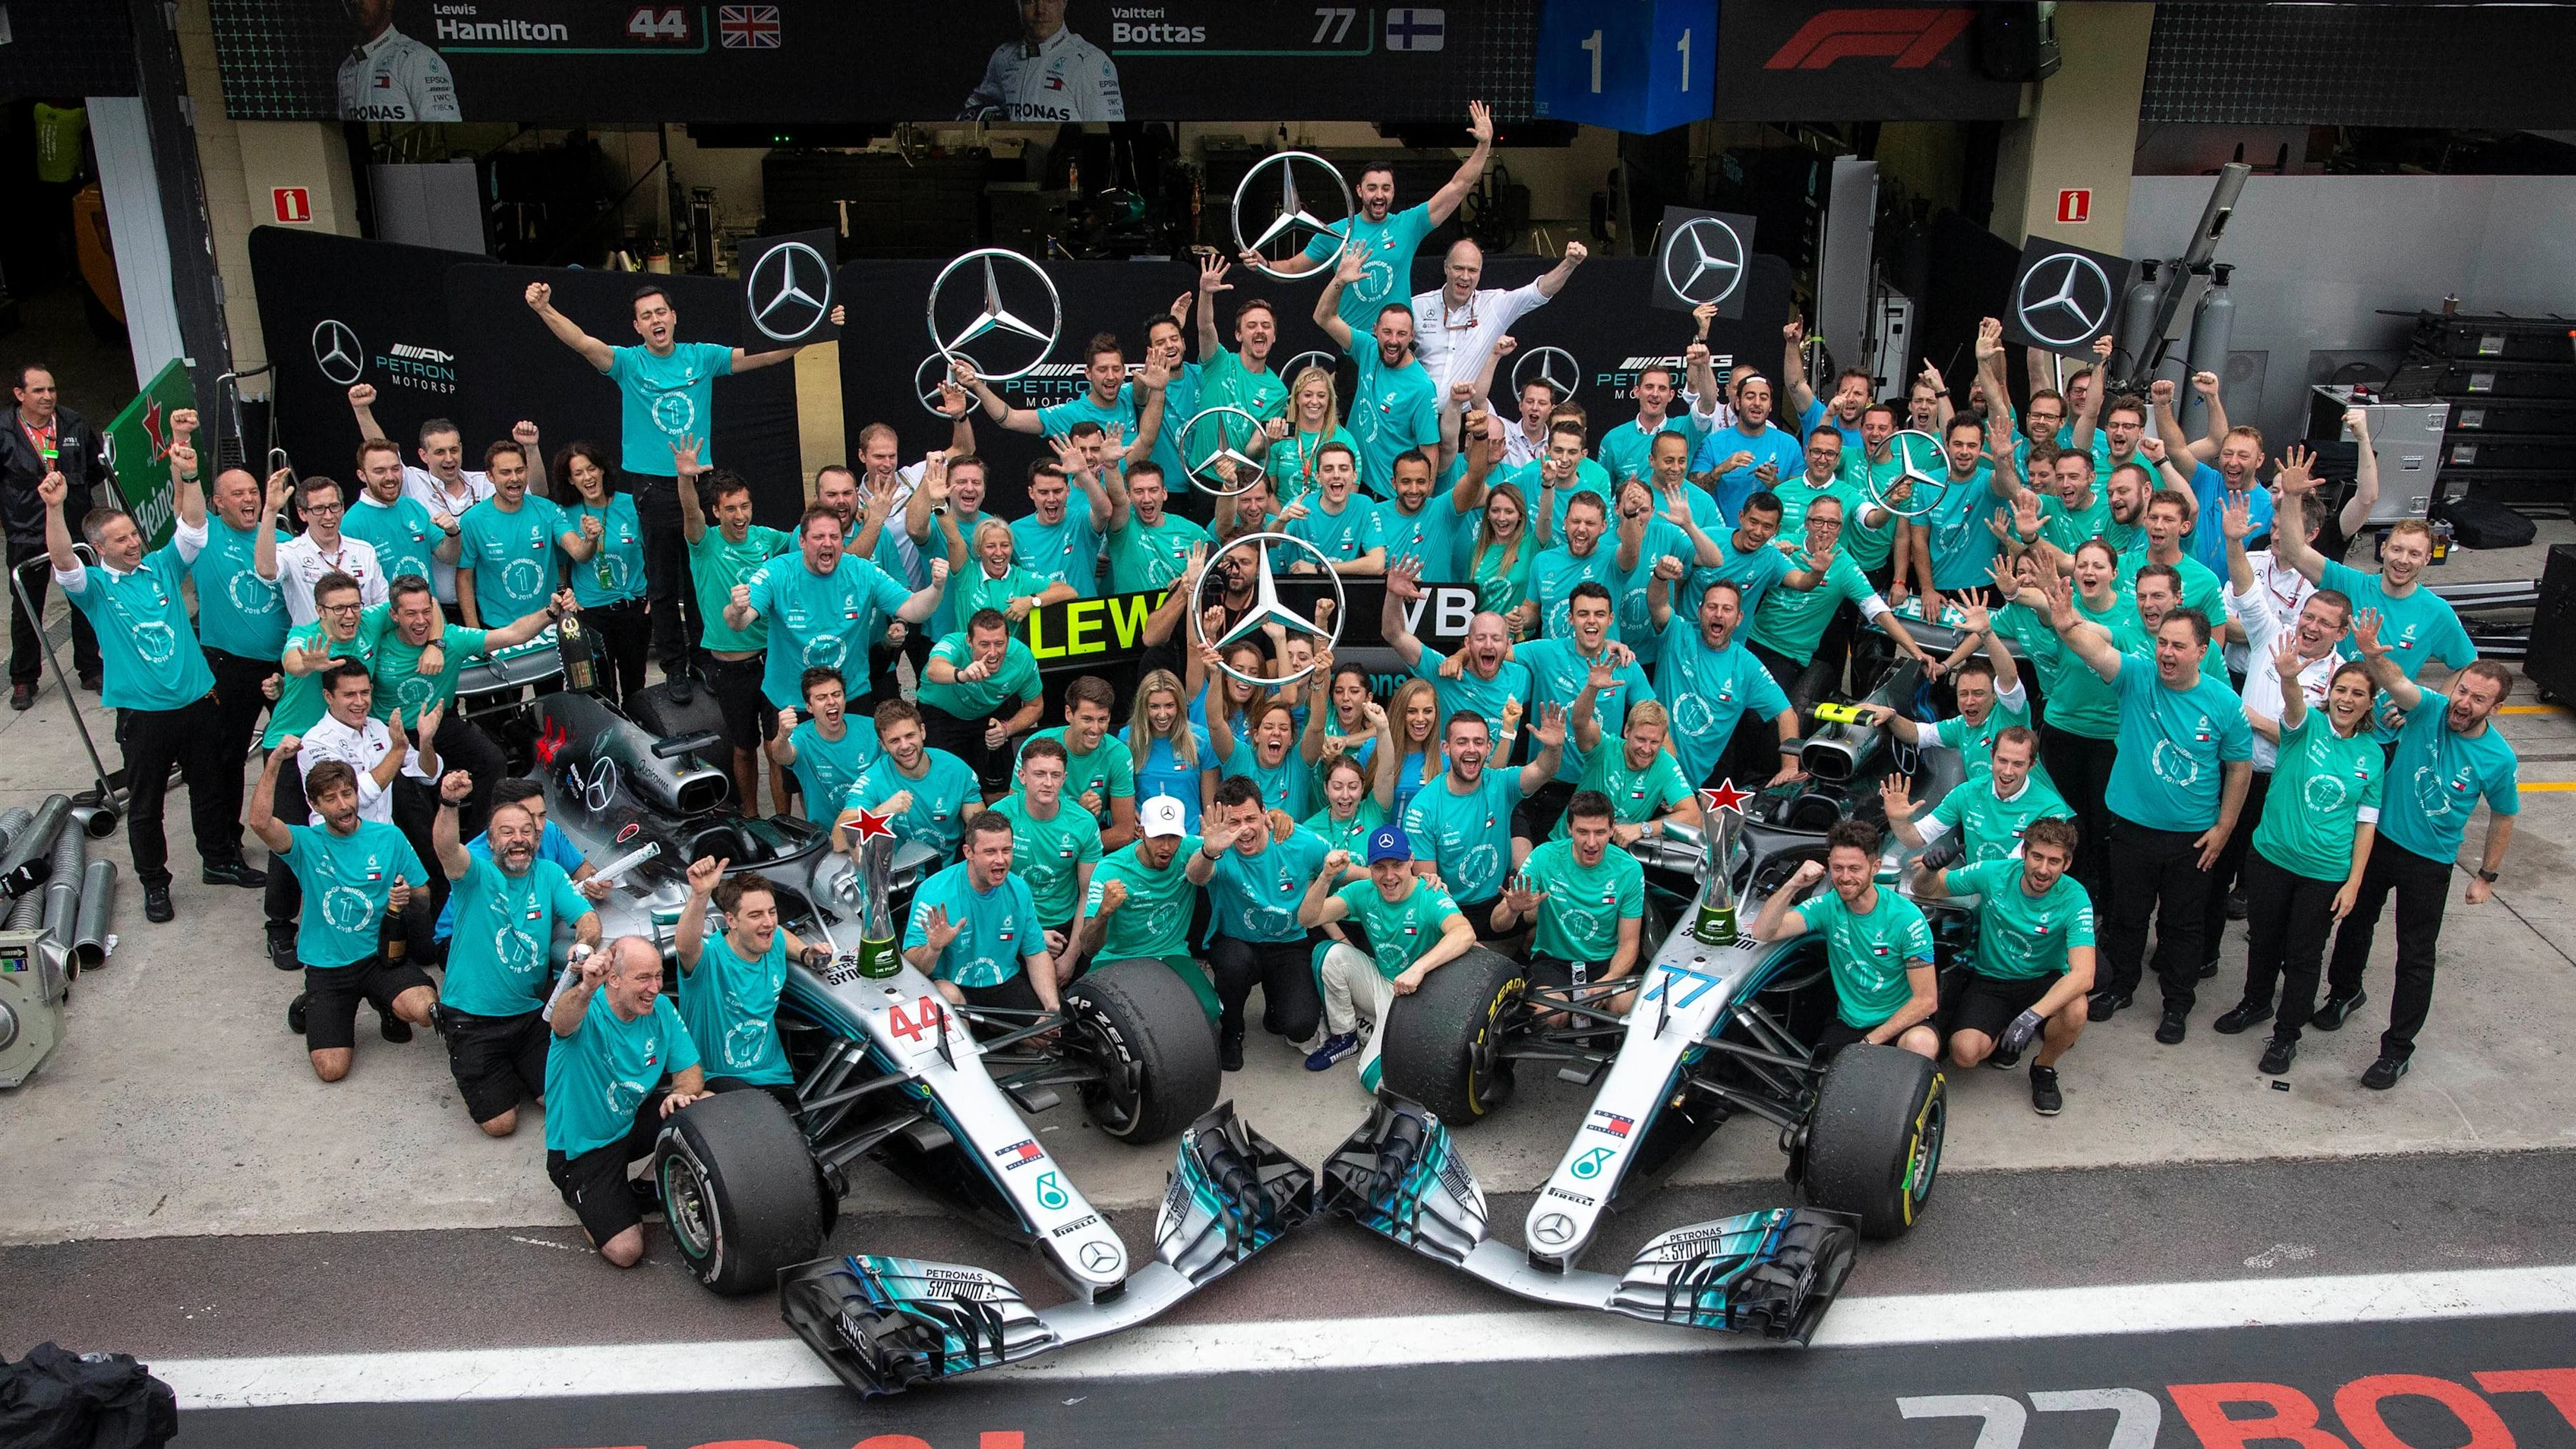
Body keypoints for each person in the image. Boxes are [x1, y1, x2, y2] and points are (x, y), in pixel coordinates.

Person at [524, 280, 838, 685]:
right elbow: (584, 343)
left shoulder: (702, 357)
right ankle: (674, 669)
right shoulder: (629, 363)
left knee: (699, 578)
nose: (656, 320)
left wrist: (816, 331)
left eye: (661, 312)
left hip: (700, 481)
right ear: (637, 326)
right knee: (663, 582)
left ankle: (702, 661)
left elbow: (761, 356)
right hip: (654, 487)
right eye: (646, 316)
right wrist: (545, 309)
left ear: (674, 317)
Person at [41, 448, 254, 920]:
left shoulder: (161, 567)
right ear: (100, 548)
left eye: (134, 533)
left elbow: (194, 529)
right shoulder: (95, 588)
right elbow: (62, 564)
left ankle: (219, 860)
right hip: (144, 715)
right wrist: (55, 508)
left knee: (211, 788)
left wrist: (193, 475)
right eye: (120, 540)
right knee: (146, 805)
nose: (133, 543)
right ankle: (155, 884)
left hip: (198, 702)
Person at [2039, 571, 2251, 1043]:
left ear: (2203, 652)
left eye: (2179, 646)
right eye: (2163, 644)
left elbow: (2239, 768)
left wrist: (2224, 829)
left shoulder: (2223, 702)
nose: (2168, 654)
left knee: (2182, 926)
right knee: (2127, 918)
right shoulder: (2137, 678)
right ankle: (2122, 987)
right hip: (2131, 827)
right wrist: (2065, 624)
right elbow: (2095, 651)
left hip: (2192, 838)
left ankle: (2177, 1004)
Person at [2316, 615, 2519, 1090]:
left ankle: (2397, 1050)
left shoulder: (2499, 758)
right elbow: (2398, 683)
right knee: (2354, 921)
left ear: (2498, 707)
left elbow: (2504, 815)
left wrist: (2487, 875)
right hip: (2382, 841)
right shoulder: (2429, 708)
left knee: (2415, 955)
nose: (2464, 704)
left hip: (2430, 862)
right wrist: (2371, 653)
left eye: (2478, 699)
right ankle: (2344, 994)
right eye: (2463, 691)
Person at [2214, 639, 2383, 1077]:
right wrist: (2289, 676)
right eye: (2341, 690)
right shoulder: (2305, 727)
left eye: (2358, 694)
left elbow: (2366, 823)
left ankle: (2287, 1035)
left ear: (2370, 703)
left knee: (2305, 956)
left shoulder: (2373, 756)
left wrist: (2354, 882)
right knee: (2264, 939)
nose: (2347, 699)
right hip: (2271, 858)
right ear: (2330, 692)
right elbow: (2292, 707)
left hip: (2324, 873)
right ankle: (2255, 1002)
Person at [731, 505, 943, 809]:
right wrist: (737, 610)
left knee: (864, 771)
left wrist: (936, 589)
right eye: (818, 537)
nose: (827, 543)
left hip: (851, 694)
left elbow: (912, 608)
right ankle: (817, 834)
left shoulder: (862, 571)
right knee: (804, 779)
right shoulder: (779, 572)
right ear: (802, 541)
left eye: (834, 536)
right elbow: (740, 621)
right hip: (792, 696)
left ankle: (864, 834)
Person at [246, 747, 435, 1081]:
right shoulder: (304, 842)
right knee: (332, 1071)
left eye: (347, 794)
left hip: (381, 958)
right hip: (328, 966)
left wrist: (406, 901)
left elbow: (423, 897)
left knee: (423, 1009)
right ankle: (312, 1003)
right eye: (330, 799)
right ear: (315, 805)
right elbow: (260, 822)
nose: (343, 805)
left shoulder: (389, 837)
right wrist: (274, 761)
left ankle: (387, 1006)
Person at [432, 767, 601, 1136]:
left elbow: (588, 919)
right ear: (490, 841)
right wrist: (448, 803)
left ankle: (514, 1071)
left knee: (560, 1098)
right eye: (507, 832)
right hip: (472, 1020)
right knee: (501, 1124)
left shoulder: (551, 875)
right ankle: (483, 1066)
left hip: (528, 1017)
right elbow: (445, 847)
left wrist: (583, 944)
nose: (519, 839)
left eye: (527, 831)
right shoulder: (473, 874)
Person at [2268, 448, 2476, 745]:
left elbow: (2469, 667)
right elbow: (2295, 550)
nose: (2403, 560)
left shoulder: (2437, 612)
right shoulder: (2350, 583)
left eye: (2414, 554)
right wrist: (2290, 497)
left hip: (2382, 738)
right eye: (2397, 549)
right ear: (2382, 550)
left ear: (2427, 559)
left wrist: (2425, 708)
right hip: (2329, 727)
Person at [1257, 102, 1495, 336]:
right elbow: (1291, 268)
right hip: (1355, 346)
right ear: (1359, 191)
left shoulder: (1407, 225)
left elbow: (1458, 186)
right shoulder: (1335, 233)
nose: (1379, 195)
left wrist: (1484, 145)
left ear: (1393, 192)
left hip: (1398, 344)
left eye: (1386, 188)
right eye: (1372, 188)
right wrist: (1263, 265)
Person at [1911, 816, 2096, 1115]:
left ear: (2067, 863)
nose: (2043, 869)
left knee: (2076, 1008)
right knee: (1964, 1054)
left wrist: (2032, 1016)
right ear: (2023, 852)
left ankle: (2044, 1067)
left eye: (2053, 861)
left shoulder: (2075, 898)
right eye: (2037, 857)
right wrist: (1930, 870)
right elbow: (1928, 889)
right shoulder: (1994, 873)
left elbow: (2084, 974)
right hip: (1993, 979)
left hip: (2043, 978)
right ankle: (2004, 1036)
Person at [544, 936, 710, 1268]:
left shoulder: (660, 1008)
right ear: (614, 980)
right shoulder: (586, 1010)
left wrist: (682, 1091)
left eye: (658, 975)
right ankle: (590, 1200)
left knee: (703, 1101)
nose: (655, 987)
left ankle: (648, 1183)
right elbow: (560, 1020)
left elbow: (690, 1070)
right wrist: (586, 988)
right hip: (582, 1149)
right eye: (643, 978)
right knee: (626, 1251)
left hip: (628, 1124)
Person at [369, 575, 559, 844]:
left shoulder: (450, 639)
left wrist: (550, 612)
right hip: (394, 733)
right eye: (410, 614)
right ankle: (432, 864)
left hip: (440, 724)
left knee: (493, 761)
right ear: (394, 615)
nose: (421, 621)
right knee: (410, 794)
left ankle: (476, 844)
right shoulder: (379, 644)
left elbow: (514, 634)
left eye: (426, 611)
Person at [260, 571, 387, 965]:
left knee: (349, 825)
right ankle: (280, 925)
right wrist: (305, 666)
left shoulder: (371, 622)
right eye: (338, 608)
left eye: (355, 605)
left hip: (345, 741)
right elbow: (293, 660)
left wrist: (435, 642)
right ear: (319, 611)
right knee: (292, 834)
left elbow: (423, 606)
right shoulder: (306, 636)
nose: (349, 615)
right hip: (292, 744)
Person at [1747, 819, 1939, 1061]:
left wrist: (1870, 1042)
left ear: (1875, 867)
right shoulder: (1828, 906)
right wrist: (1794, 884)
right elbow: (1764, 932)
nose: (1845, 877)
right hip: (1849, 1023)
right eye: (1838, 868)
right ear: (1829, 865)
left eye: (1855, 868)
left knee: (1921, 1043)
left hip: (1901, 1023)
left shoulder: (1906, 918)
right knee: (1818, 1088)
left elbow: (1927, 1001)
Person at [1299, 824, 1476, 1084]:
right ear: (1370, 868)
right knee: (1328, 955)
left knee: (1373, 1079)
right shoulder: (1363, 891)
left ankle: (1397, 1037)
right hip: (1383, 984)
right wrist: (1326, 876)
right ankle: (1345, 1036)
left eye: (1397, 865)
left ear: (1411, 861)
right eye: (1380, 867)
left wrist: (1419, 968)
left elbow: (1465, 933)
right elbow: (1308, 918)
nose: (1389, 876)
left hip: (1419, 996)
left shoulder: (1429, 893)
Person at [674, 450, 794, 807]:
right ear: (716, 512)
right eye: (730, 509)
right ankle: (752, 818)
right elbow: (690, 513)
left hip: (773, 661)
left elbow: (805, 539)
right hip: (730, 668)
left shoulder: (767, 539)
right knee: (744, 749)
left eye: (745, 506)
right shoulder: (704, 543)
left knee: (777, 748)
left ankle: (783, 823)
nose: (740, 516)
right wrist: (685, 478)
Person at [1189, 777, 1330, 1069]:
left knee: (1300, 1026)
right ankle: (1231, 1030)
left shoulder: (1296, 840)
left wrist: (1408, 879)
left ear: (1266, 813)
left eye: (1251, 818)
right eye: (1234, 822)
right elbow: (1195, 876)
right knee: (1234, 963)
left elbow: (1341, 865)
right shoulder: (1216, 845)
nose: (1244, 829)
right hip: (1237, 942)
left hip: (1289, 943)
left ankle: (1274, 1007)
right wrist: (1209, 851)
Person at [1750, 493, 1939, 712]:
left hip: (1789, 655)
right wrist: (1767, 553)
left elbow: (1879, 612)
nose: (1824, 529)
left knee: (1759, 713)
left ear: (1841, 529)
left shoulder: (1846, 567)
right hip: (1752, 639)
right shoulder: (1784, 545)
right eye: (1818, 521)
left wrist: (1917, 652)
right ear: (1806, 523)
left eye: (1833, 523)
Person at [674, 859, 830, 1111]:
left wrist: (805, 953)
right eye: (755, 915)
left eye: (771, 911)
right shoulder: (710, 959)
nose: (768, 922)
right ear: (731, 921)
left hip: (775, 1076)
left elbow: (780, 934)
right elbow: (685, 946)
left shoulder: (772, 940)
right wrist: (700, 895)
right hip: (718, 1080)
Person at [295, 663, 440, 927]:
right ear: (328, 696)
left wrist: (426, 741)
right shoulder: (315, 742)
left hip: (386, 840)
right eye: (349, 695)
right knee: (365, 931)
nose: (360, 702)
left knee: (423, 909)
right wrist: (397, 751)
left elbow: (427, 774)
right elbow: (354, 797)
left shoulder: (377, 727)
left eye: (365, 693)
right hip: (341, 845)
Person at [1402, 706, 1564, 940]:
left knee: (1551, 914)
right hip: (1452, 910)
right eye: (1462, 742)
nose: (1471, 749)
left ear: (1489, 748)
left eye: (1479, 742)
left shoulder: (1500, 782)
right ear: (1446, 749)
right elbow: (1431, 890)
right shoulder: (1423, 808)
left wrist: (1554, 746)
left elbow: (1543, 769)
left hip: (1501, 901)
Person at [1310, 246, 1443, 500]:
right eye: (1387, 332)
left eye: (1402, 334)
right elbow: (1323, 317)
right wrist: (1339, 280)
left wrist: (1422, 504)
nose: (1393, 341)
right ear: (1375, 331)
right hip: (1352, 483)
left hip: (1386, 494)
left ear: (1412, 336)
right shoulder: (1368, 348)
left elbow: (1430, 450)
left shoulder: (1422, 387)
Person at [1644, 574, 1800, 791]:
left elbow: (1786, 714)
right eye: (1712, 607)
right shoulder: (1677, 634)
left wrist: (1790, 767)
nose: (1718, 614)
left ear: (1739, 618)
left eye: (1727, 609)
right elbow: (1657, 604)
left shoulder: (1746, 666)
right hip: (1649, 768)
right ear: (1700, 612)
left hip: (1695, 785)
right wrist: (1660, 577)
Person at [193, 456, 292, 798]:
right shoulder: (204, 534)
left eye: (254, 491)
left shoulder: (283, 540)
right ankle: (227, 842)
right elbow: (184, 500)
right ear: (218, 503)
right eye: (238, 494)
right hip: (230, 665)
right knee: (226, 757)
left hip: (285, 665)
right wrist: (184, 453)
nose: (249, 499)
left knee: (296, 750)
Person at [1495, 789, 1646, 1004]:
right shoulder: (1543, 856)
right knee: (1546, 1014)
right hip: (1554, 962)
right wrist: (1512, 909)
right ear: (1569, 829)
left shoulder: (1629, 870)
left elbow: (1629, 945)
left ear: (1612, 829)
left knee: (1627, 1004)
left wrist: (1609, 980)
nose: (1591, 842)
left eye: (1600, 832)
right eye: (1583, 832)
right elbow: (1497, 925)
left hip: (1605, 962)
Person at [1076, 795, 1217, 1021]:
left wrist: (1275, 818)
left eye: (1173, 837)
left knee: (1209, 1011)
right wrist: (1103, 913)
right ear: (1141, 832)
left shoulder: (1192, 849)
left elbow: (1239, 839)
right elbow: (1088, 947)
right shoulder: (1109, 868)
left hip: (1170, 953)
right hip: (1116, 957)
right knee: (1087, 1015)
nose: (1167, 846)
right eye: (1158, 836)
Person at [431, 775, 608, 952]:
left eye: (542, 815)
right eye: (529, 817)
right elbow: (509, 923)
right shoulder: (476, 858)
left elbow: (580, 868)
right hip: (463, 939)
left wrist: (595, 882)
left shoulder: (549, 831)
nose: (538, 826)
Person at [906, 811, 1062, 1012]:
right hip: (953, 986)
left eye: (1006, 850)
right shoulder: (933, 892)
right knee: (947, 993)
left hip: (1002, 983)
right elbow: (912, 968)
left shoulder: (1020, 890)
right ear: (968, 852)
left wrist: (1052, 1007)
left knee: (1047, 1033)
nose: (1001, 860)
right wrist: (933, 948)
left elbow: (1036, 952)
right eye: (990, 852)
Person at [351, 393, 492, 609]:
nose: (449, 458)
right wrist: (362, 411)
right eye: (439, 452)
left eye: (454, 450)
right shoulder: (412, 482)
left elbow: (538, 491)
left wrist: (530, 449)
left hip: (481, 604)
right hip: (432, 607)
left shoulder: (484, 481)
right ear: (424, 455)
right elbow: (382, 453)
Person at [989, 737, 1103, 979]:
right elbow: (986, 887)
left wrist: (1071, 957)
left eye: (1055, 775)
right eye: (1039, 774)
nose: (1047, 783)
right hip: (1010, 922)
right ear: (1022, 776)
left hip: (1065, 927)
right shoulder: (1000, 816)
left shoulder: (1082, 823)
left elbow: (1088, 893)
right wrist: (1027, 935)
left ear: (1064, 778)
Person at [1409, 238, 1586, 391]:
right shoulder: (1417, 306)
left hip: (1466, 417)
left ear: (1480, 272)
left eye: (1472, 270)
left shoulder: (1494, 305)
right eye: (1458, 268)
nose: (1465, 276)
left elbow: (1539, 291)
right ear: (1446, 267)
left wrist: (1569, 264)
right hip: (1420, 414)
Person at [1855, 614, 2021, 778]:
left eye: (1979, 694)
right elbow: (1917, 734)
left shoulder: (2011, 714)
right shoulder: (1960, 726)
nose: (1970, 701)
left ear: (1995, 696)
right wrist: (1891, 716)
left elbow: (2010, 677)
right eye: (1963, 694)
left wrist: (1986, 633)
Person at [549, 439, 649, 705]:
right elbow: (561, 563)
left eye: (591, 468)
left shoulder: (632, 505)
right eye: (578, 473)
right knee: (601, 688)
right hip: (592, 613)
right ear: (570, 481)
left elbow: (654, 551)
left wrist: (654, 594)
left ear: (602, 470)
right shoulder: (566, 514)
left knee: (636, 687)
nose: (587, 477)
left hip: (633, 609)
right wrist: (565, 593)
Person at [1882, 726, 2068, 867]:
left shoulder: (2051, 809)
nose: (2008, 771)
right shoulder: (1967, 792)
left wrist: (1950, 879)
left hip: (2019, 899)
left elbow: (2016, 867)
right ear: (1992, 755)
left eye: (2018, 764)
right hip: (1975, 888)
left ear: (2032, 765)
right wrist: (1897, 820)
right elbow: (1916, 837)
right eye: (2002, 761)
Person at [917, 608, 1044, 796]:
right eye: (984, 644)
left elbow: (1035, 706)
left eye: (999, 644)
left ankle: (996, 822)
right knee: (944, 785)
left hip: (988, 713)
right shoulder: (953, 642)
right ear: (969, 641)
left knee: (998, 784)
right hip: (941, 712)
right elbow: (933, 670)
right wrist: (963, 675)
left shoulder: (1022, 657)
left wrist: (1007, 729)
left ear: (1008, 640)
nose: (993, 653)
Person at [839, 699, 983, 861]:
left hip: (950, 869)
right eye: (894, 741)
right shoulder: (872, 780)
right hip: (900, 875)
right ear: (883, 745)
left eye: (910, 736)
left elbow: (981, 833)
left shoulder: (956, 770)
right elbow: (839, 841)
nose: (905, 745)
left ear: (922, 731)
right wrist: (881, 812)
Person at [453, 440, 562, 630]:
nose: (514, 478)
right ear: (490, 476)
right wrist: (474, 633)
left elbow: (563, 564)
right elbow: (464, 577)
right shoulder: (472, 519)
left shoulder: (547, 510)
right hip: (500, 626)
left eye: (519, 470)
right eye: (505, 472)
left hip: (549, 621)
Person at [962, 0, 1125, 121]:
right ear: (1018, 5)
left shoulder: (1091, 62)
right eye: (1030, 1)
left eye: (1050, 0)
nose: (1041, 10)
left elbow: (1109, 138)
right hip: (1013, 165)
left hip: (1067, 166)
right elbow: (974, 108)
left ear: (1064, 3)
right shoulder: (1004, 56)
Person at [340, 434, 445, 608]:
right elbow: (349, 592)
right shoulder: (350, 524)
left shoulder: (413, 506)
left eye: (395, 469)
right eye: (380, 471)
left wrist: (453, 533)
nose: (390, 477)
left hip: (431, 620)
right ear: (362, 475)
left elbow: (448, 556)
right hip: (388, 629)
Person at [275, 474, 390, 628]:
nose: (328, 516)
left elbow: (383, 606)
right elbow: (267, 572)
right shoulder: (291, 552)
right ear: (302, 514)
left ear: (342, 508)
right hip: (315, 649)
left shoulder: (364, 551)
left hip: (361, 647)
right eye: (319, 509)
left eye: (334, 506)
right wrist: (270, 511)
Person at [766, 667, 878, 825]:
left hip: (873, 827)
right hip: (827, 836)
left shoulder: (871, 728)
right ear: (809, 707)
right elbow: (781, 757)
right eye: (821, 697)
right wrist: (782, 735)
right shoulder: (801, 736)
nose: (831, 701)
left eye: (837, 695)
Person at [1690, 373, 1804, 522]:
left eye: (1763, 398)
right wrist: (1720, 470)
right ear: (1738, 403)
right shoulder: (1713, 443)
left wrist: (1775, 485)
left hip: (1772, 540)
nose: (1757, 403)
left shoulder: (1790, 444)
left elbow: (1800, 501)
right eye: (1750, 397)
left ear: (1770, 406)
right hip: (1722, 537)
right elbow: (1693, 493)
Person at [336, 0, 459, 121]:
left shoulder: (417, 57)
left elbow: (445, 124)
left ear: (389, 2)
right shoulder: (346, 68)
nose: (357, 1)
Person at [1128, 669, 1216, 832]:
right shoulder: (1128, 739)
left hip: (1190, 839)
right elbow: (1118, 796)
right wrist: (1127, 815)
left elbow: (1210, 806)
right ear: (1143, 707)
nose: (1162, 714)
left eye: (1169, 706)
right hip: (1145, 841)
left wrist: (1205, 841)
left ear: (1180, 705)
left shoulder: (1201, 739)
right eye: (1154, 706)